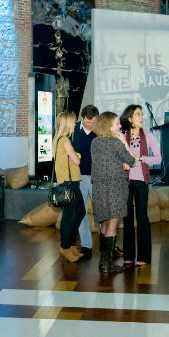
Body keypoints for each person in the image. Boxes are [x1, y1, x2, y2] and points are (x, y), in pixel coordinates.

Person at [90, 111, 137, 272]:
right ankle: (107, 264)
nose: (120, 125)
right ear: (108, 126)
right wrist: (123, 139)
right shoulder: (116, 142)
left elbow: (106, 161)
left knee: (104, 221)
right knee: (113, 223)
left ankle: (103, 262)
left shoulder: (95, 142)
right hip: (115, 186)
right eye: (117, 123)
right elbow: (132, 160)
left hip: (98, 187)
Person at [120, 105, 161, 265]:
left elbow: (158, 159)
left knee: (142, 217)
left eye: (142, 114)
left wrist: (142, 159)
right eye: (138, 114)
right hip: (125, 181)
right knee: (127, 217)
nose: (141, 117)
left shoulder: (148, 135)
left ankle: (144, 256)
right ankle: (128, 255)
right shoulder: (122, 135)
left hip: (141, 181)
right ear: (130, 118)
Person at [52, 111, 85, 262]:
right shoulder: (65, 140)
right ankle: (65, 246)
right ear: (67, 123)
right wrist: (78, 155)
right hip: (70, 183)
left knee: (75, 213)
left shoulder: (58, 139)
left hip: (67, 182)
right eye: (73, 122)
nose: (75, 125)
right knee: (72, 214)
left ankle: (70, 245)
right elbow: (77, 161)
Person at [71, 105, 99, 258]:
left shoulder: (100, 131)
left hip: (97, 177)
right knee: (81, 212)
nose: (91, 125)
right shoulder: (74, 130)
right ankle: (86, 245)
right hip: (79, 177)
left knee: (102, 210)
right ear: (82, 118)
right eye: (89, 122)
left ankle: (109, 243)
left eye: (94, 122)